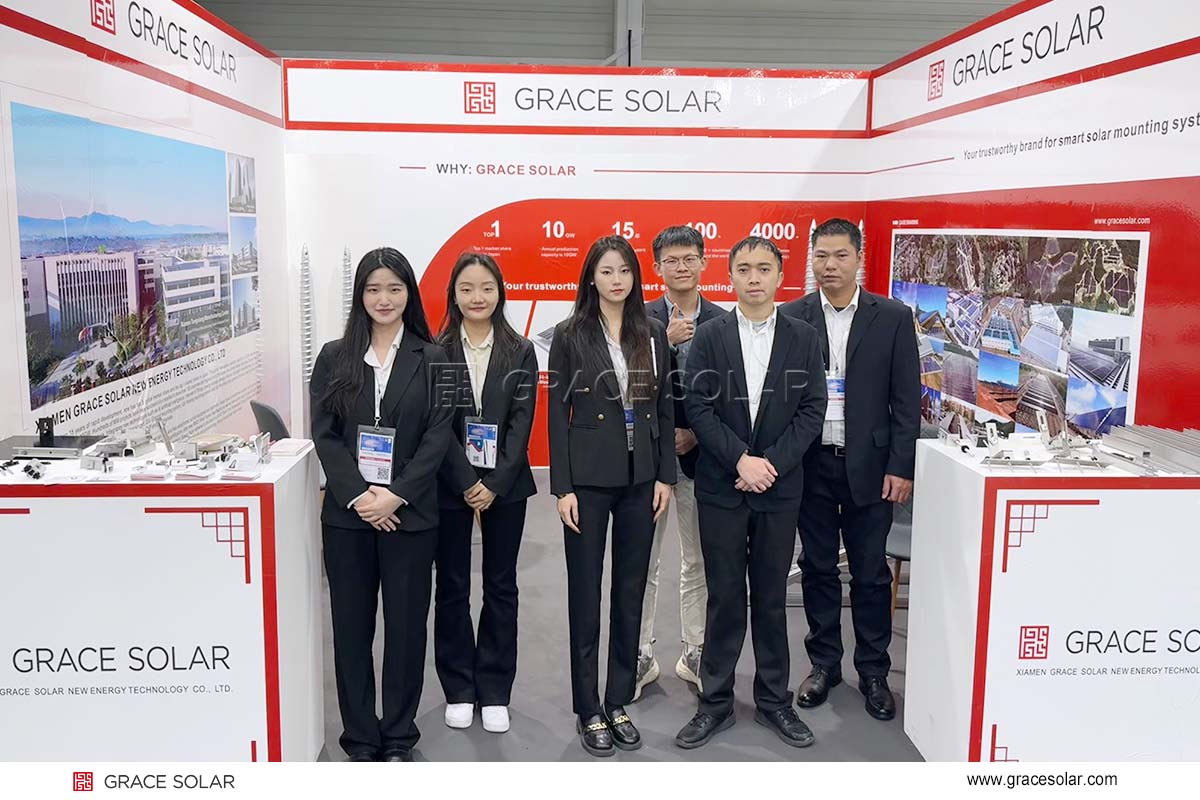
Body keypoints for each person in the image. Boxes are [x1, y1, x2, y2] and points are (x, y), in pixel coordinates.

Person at [675, 236, 826, 750]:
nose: (754, 277)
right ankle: (714, 702)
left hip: (778, 491)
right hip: (722, 486)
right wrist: (740, 459)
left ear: (780, 275)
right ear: (731, 276)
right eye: (744, 269)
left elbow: (812, 409)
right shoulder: (710, 335)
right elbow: (697, 407)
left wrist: (770, 465)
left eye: (764, 268)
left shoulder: (804, 337)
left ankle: (774, 701)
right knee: (723, 598)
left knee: (770, 598)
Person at [310, 247, 452, 762]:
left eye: (394, 288)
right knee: (351, 630)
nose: (384, 298)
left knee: (406, 628)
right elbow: (325, 435)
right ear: (360, 296)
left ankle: (397, 735)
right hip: (349, 518)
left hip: (409, 515)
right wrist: (360, 495)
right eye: (373, 289)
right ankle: (361, 737)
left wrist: (395, 494)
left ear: (409, 293)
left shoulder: (436, 359)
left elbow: (439, 437)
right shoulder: (334, 357)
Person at [779, 218, 920, 722]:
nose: (830, 265)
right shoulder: (791, 316)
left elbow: (907, 400)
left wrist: (901, 466)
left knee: (870, 573)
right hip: (811, 464)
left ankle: (874, 671)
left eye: (840, 255)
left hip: (872, 467)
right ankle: (824, 665)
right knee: (817, 567)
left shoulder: (893, 317)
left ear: (858, 258)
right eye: (821, 256)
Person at [548, 235, 675, 757]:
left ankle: (617, 698)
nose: (616, 280)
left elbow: (664, 407)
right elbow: (556, 414)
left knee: (630, 590)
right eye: (606, 271)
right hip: (588, 481)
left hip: (641, 480)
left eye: (624, 270)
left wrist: (665, 475)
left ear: (634, 276)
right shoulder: (569, 334)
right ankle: (588, 707)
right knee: (586, 593)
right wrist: (562, 487)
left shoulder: (653, 332)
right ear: (591, 278)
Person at [434, 252, 538, 735]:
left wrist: (493, 483)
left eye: (486, 288)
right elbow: (438, 425)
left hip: (506, 485)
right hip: (449, 483)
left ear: (500, 293)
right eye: (467, 288)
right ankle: (459, 687)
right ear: (454, 295)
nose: (477, 297)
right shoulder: (436, 350)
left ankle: (495, 689)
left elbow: (521, 422)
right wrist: (466, 481)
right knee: (452, 584)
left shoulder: (520, 350)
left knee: (501, 585)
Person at [635, 225, 723, 699]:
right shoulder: (639, 318)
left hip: (700, 459)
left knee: (698, 560)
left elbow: (730, 396)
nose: (682, 267)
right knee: (642, 562)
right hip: (649, 464)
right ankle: (639, 653)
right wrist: (663, 343)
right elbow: (628, 388)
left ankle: (695, 651)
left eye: (690, 258)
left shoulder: (724, 320)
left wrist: (696, 434)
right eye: (672, 260)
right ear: (657, 267)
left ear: (704, 262)